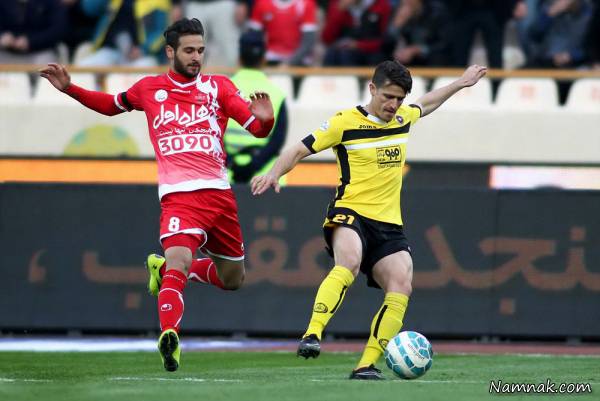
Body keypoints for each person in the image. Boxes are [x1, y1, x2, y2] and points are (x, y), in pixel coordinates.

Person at [39, 18, 274, 372]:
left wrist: (266, 120)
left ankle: (161, 270)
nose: (196, 57)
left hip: (219, 196)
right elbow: (110, 104)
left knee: (233, 279)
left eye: (200, 51)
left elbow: (256, 129)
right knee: (179, 261)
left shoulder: (220, 87)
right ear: (170, 52)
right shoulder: (149, 89)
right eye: (189, 50)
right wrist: (70, 88)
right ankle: (170, 336)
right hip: (179, 196)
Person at [251, 60, 486, 379]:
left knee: (402, 283)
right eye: (388, 96)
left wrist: (460, 82)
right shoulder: (343, 123)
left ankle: (365, 365)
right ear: (372, 88)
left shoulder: (403, 118)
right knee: (348, 261)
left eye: (399, 99)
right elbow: (298, 150)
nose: (393, 105)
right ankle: (313, 333)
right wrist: (274, 173)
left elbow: (427, 102)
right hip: (350, 212)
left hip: (388, 224)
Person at [225, 31, 288, 183]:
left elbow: (212, 135)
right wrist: (253, 166)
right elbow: (277, 141)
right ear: (264, 58)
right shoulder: (277, 93)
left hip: (227, 175)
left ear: (239, 58)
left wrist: (232, 164)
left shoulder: (223, 89)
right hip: (266, 178)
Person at [77, 0, 171, 66]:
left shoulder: (158, 1)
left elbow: (162, 31)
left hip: (141, 56)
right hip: (110, 50)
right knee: (84, 70)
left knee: (145, 69)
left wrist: (143, 50)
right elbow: (88, 8)